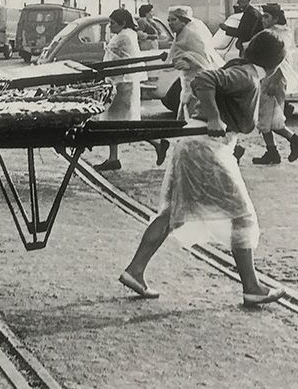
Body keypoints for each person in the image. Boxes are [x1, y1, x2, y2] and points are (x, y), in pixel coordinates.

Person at [117, 30, 289, 307]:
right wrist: (214, 116)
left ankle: (135, 270)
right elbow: (204, 78)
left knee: (173, 212)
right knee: (243, 216)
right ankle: (252, 287)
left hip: (194, 143)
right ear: (276, 62)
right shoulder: (246, 75)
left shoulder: (241, 69)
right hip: (206, 146)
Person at [93, 9, 168, 172]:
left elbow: (113, 59)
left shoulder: (124, 37)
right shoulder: (127, 34)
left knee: (122, 123)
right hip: (121, 82)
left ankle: (157, 143)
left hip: (123, 85)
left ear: (122, 23)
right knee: (115, 123)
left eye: (113, 23)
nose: (110, 26)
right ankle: (113, 158)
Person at [247, 3, 298, 165]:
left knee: (266, 118)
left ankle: (290, 142)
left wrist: (274, 81)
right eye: (263, 16)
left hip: (274, 79)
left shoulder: (281, 34)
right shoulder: (271, 33)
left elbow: (283, 62)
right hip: (267, 77)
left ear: (276, 18)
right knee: (270, 119)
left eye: (267, 17)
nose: (263, 20)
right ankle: (276, 150)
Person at [166, 6, 224, 119]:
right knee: (186, 106)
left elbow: (204, 58)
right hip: (187, 77)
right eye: (169, 20)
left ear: (183, 21)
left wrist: (190, 64)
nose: (170, 23)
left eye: (174, 20)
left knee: (193, 108)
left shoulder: (191, 34)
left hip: (198, 77)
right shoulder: (179, 34)